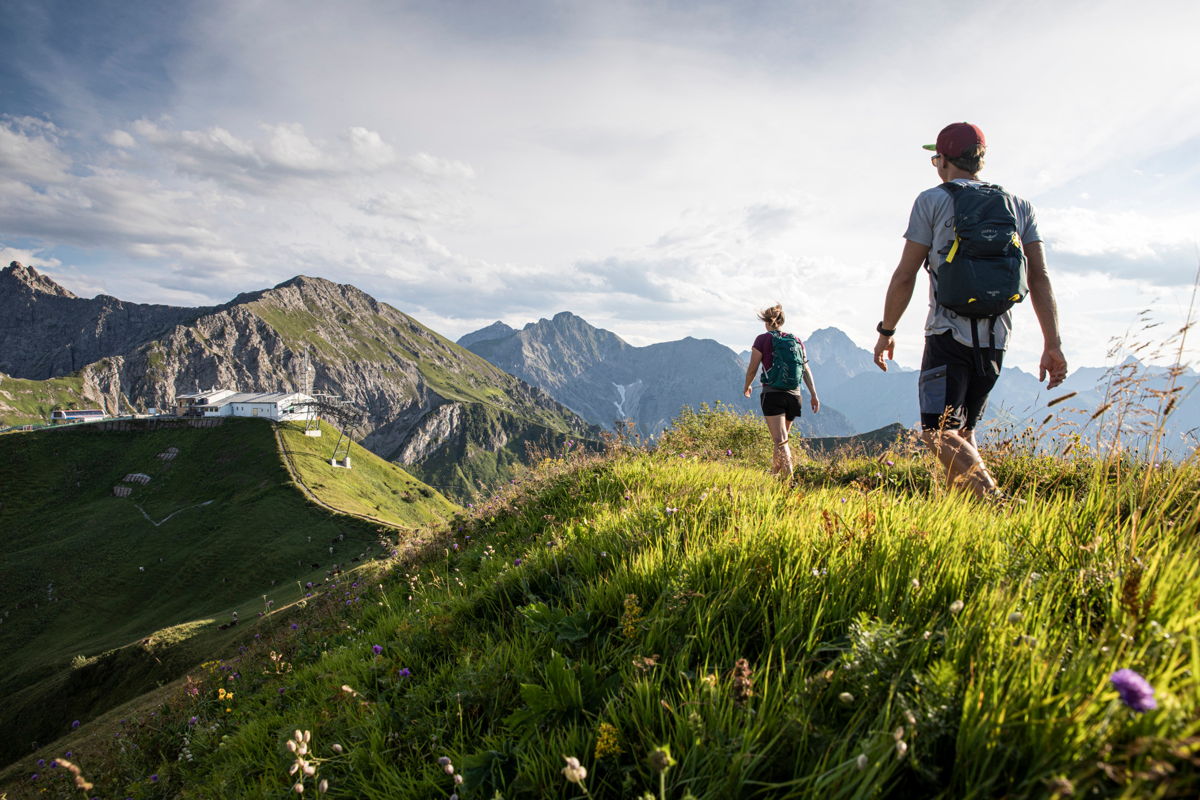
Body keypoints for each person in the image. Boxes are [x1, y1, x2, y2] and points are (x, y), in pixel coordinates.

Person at [872, 122, 1067, 499]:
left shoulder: (932, 200)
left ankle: (994, 500)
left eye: (935, 158)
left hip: (947, 333)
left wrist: (887, 331)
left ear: (943, 160)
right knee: (963, 433)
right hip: (997, 337)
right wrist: (1052, 343)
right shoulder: (1019, 205)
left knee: (936, 431)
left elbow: (905, 274)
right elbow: (1039, 277)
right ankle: (968, 522)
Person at [743, 304, 820, 477]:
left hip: (773, 394)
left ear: (766, 322)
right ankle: (773, 476)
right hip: (795, 395)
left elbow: (753, 368)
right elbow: (806, 369)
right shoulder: (797, 341)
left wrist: (747, 385)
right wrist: (814, 395)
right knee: (780, 439)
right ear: (782, 321)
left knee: (780, 440)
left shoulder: (762, 340)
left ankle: (790, 480)